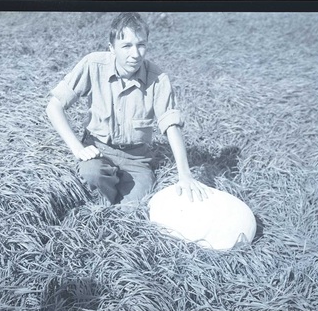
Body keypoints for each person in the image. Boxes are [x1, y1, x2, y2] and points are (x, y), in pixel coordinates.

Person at [46, 12, 211, 206]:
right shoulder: (93, 64)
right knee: (91, 175)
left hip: (137, 160)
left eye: (141, 45)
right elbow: (53, 106)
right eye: (126, 46)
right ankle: (98, 208)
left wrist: (185, 174)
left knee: (133, 209)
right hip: (99, 150)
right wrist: (77, 148)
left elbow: (171, 125)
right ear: (112, 48)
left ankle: (116, 207)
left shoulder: (158, 79)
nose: (135, 54)